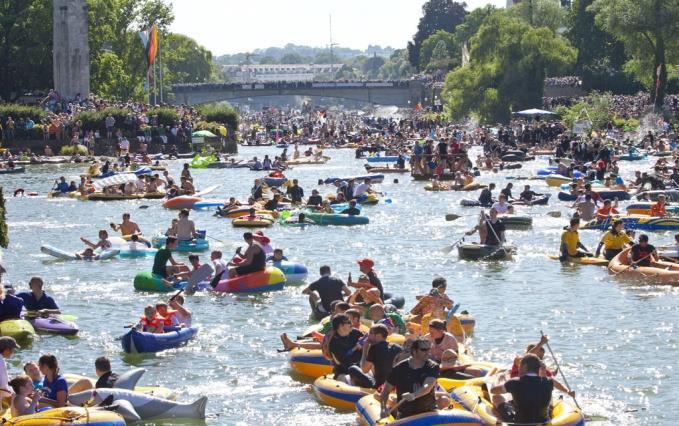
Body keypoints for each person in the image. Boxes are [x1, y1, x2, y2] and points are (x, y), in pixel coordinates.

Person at [491, 354, 573, 424]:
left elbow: (493, 391)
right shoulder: (549, 381)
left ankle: (498, 420)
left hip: (521, 423)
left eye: (520, 366)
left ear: (525, 366)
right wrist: (568, 392)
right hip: (544, 422)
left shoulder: (514, 382)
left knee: (497, 397)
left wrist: (498, 380)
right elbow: (557, 384)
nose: (518, 368)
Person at [380, 337, 439, 419]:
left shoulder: (432, 366)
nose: (428, 352)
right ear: (414, 352)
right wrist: (383, 408)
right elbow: (386, 390)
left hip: (428, 412)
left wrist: (414, 395)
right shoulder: (399, 368)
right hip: (406, 415)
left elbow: (427, 386)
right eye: (423, 350)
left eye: (428, 349)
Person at [348, 324, 402, 388]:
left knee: (352, 368)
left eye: (370, 333)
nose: (368, 336)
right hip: (393, 385)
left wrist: (365, 349)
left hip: (379, 385)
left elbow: (364, 370)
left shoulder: (374, 348)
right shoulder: (397, 347)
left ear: (378, 336)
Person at [327, 313, 364, 382]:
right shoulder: (334, 342)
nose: (352, 324)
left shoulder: (355, 333)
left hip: (361, 367)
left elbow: (366, 341)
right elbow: (345, 360)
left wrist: (365, 344)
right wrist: (355, 347)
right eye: (349, 322)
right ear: (341, 325)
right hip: (344, 372)